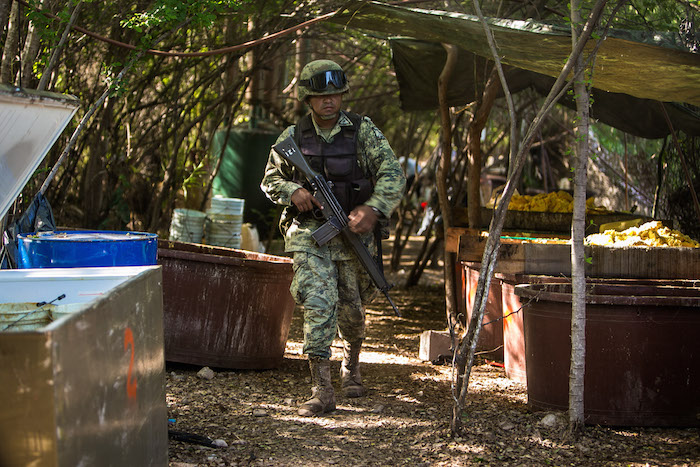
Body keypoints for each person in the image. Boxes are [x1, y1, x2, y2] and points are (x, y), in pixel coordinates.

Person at [260, 59, 406, 417]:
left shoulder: (362, 132)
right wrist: (294, 190)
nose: (329, 102)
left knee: (352, 311)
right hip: (310, 235)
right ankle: (321, 389)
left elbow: (393, 174)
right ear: (308, 99)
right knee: (318, 304)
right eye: (321, 96)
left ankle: (351, 364)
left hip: (353, 234)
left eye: (335, 95)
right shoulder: (292, 138)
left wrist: (372, 209)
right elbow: (269, 179)